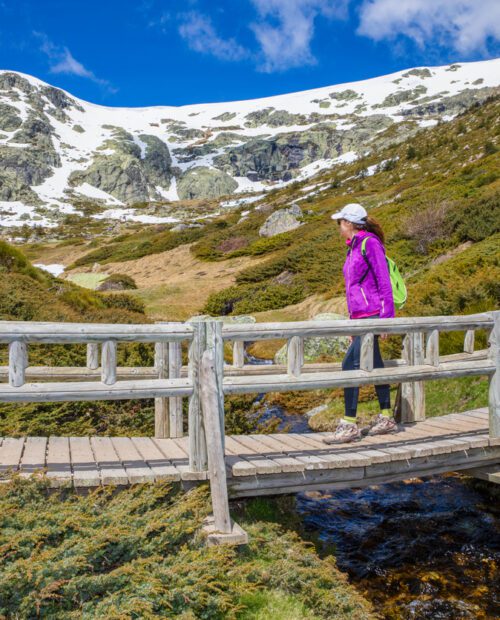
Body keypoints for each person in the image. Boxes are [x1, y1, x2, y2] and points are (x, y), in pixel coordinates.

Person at [324, 203, 398, 444]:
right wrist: (352, 323)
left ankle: (349, 424)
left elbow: (383, 281)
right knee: (374, 364)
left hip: (373, 315)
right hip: (361, 318)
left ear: (348, 223)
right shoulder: (352, 248)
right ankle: (386, 416)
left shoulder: (369, 244)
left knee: (349, 365)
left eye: (340, 223)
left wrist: (386, 320)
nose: (338, 227)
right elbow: (352, 290)